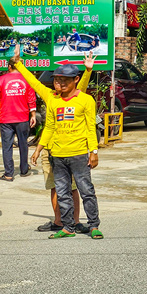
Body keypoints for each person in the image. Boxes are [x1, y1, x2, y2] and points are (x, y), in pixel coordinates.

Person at [20, 55, 93, 233]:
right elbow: (33, 83)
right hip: (51, 150)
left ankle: (74, 222)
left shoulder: (78, 97)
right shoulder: (51, 97)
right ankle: (60, 221)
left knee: (74, 188)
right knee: (55, 187)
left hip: (73, 150)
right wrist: (18, 64)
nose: (59, 84)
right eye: (57, 80)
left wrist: (88, 71)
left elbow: (80, 88)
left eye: (63, 80)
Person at [0, 59, 37, 181]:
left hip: (6, 118)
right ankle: (24, 170)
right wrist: (33, 115)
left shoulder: (2, 80)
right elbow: (31, 98)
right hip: (23, 118)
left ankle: (8, 174)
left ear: (9, 66)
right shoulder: (26, 79)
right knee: (23, 145)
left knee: (7, 147)